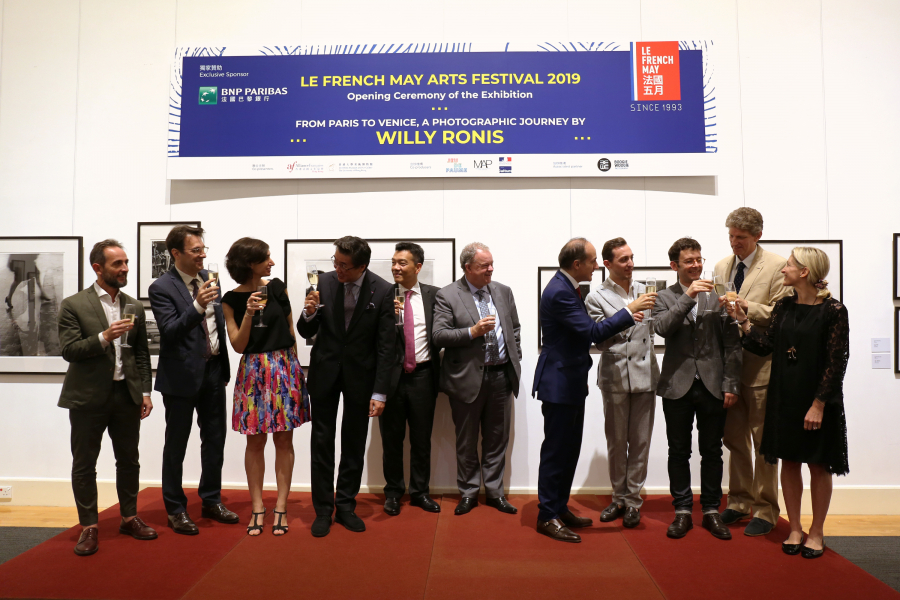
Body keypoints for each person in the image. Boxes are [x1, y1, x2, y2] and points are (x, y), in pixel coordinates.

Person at [727, 247, 849, 558]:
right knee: (790, 462)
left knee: (818, 465)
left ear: (805, 272)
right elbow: (766, 345)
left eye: (790, 265)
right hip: (785, 395)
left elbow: (836, 363)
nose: (783, 269)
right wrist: (743, 321)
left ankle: (816, 531)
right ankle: (795, 528)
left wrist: (818, 404)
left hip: (817, 399)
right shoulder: (784, 306)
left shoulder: (834, 310)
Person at [533, 238, 655, 543]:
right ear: (577, 264)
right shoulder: (560, 291)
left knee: (569, 451)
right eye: (592, 261)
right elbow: (591, 332)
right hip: (559, 383)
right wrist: (630, 310)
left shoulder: (569, 286)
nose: (596, 266)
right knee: (556, 452)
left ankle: (559, 507)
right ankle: (547, 515)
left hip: (570, 380)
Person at [57, 239, 156, 555]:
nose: (125, 268)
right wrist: (104, 337)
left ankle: (129, 518)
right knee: (85, 463)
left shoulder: (133, 306)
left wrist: (145, 391)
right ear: (98, 268)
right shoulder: (73, 305)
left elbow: (141, 354)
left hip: (126, 395)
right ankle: (89, 526)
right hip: (87, 398)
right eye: (118, 264)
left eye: (126, 262)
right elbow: (69, 350)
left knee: (129, 460)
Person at [297, 236, 395, 537]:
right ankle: (323, 510)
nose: (338, 269)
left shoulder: (383, 289)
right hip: (324, 374)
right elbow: (305, 330)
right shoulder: (323, 282)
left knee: (354, 442)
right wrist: (308, 313)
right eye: (336, 262)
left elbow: (386, 346)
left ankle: (346, 506)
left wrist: (380, 391)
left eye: (345, 266)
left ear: (362, 266)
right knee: (322, 443)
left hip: (361, 377)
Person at [149, 225, 238, 535]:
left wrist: (223, 367)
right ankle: (175, 509)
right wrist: (198, 304)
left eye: (203, 249)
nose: (202, 255)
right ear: (176, 253)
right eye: (195, 250)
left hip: (213, 371)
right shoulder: (161, 287)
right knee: (176, 444)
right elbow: (170, 331)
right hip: (181, 377)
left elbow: (217, 328)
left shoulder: (209, 279)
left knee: (215, 440)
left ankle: (211, 500)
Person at [221, 238, 311, 536]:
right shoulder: (230, 300)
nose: (272, 263)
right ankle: (258, 507)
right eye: (266, 258)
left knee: (284, 441)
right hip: (253, 371)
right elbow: (238, 345)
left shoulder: (277, 288)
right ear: (250, 263)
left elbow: (290, 331)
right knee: (255, 442)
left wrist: (295, 371)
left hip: (284, 366)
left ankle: (281, 507)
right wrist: (248, 313)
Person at [654, 238, 742, 541]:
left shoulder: (718, 295)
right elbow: (662, 328)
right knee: (678, 451)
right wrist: (689, 295)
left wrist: (731, 383)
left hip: (713, 385)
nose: (696, 265)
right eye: (689, 261)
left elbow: (732, 343)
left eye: (699, 259)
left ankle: (711, 510)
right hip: (676, 385)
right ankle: (681, 511)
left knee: (712, 451)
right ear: (674, 265)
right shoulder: (664, 296)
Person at [714, 207, 792, 536]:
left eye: (741, 238)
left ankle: (765, 509)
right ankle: (739, 501)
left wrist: (747, 307)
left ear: (758, 236)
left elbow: (782, 315)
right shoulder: (721, 266)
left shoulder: (777, 266)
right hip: (729, 371)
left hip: (763, 368)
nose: (735, 243)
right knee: (734, 440)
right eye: (731, 236)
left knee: (763, 444)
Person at [433, 242, 522, 517]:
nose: (491, 269)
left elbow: (514, 329)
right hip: (466, 379)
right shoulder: (448, 295)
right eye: (485, 265)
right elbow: (439, 335)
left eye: (491, 264)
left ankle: (495, 493)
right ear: (468, 267)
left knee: (497, 439)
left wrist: (515, 354)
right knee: (467, 440)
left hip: (501, 376)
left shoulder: (503, 291)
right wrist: (472, 332)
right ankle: (469, 492)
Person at [585, 237, 660, 529]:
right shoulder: (595, 297)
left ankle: (633, 501)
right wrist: (628, 315)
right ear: (607, 264)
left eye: (631, 257)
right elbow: (599, 340)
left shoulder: (646, 290)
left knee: (640, 441)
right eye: (623, 259)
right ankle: (618, 498)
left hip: (645, 374)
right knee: (617, 442)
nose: (630, 264)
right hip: (615, 374)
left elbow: (652, 331)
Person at [381, 242, 442, 516]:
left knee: (421, 439)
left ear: (418, 267)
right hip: (391, 379)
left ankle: (420, 492)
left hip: (424, 376)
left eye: (402, 263)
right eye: (393, 262)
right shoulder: (383, 296)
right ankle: (393, 492)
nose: (395, 267)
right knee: (391, 440)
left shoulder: (435, 296)